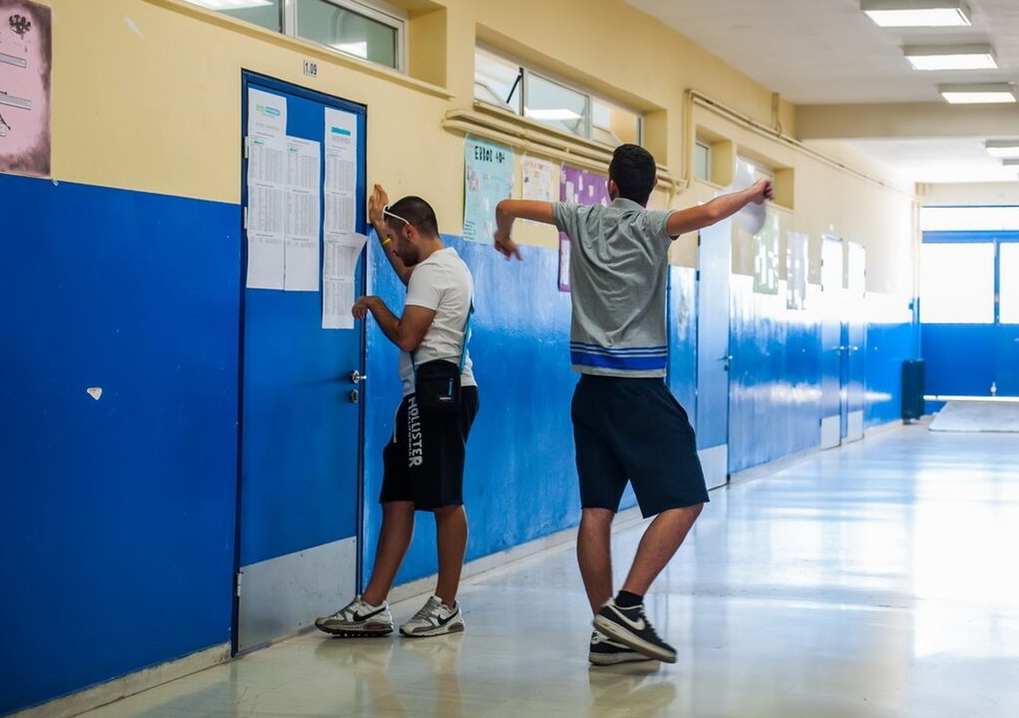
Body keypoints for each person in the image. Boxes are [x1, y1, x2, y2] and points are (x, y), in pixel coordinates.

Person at [493, 144, 773, 665]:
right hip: (638, 391)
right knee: (687, 496)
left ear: (610, 186)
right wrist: (754, 191)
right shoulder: (653, 226)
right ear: (647, 194)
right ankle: (626, 607)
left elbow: (508, 206)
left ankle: (604, 634)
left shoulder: (579, 218)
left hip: (590, 393)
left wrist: (502, 236)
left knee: (596, 510)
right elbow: (711, 212)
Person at [316, 186, 480, 638]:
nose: (395, 249)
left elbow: (408, 336)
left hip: (441, 399)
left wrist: (374, 304)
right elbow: (410, 275)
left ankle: (446, 605)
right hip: (423, 398)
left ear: (410, 230)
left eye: (395, 237)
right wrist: (380, 230)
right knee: (398, 498)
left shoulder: (435, 270)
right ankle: (373, 606)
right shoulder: (443, 266)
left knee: (446, 500)